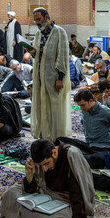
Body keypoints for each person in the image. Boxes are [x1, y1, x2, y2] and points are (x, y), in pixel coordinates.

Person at [0, 139, 95, 218]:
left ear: (54, 153)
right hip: (44, 192)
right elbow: (31, 189)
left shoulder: (71, 155)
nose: (44, 169)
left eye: (46, 163)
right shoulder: (41, 155)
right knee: (9, 195)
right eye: (41, 165)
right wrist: (29, 175)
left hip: (65, 198)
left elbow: (78, 192)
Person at [58, 88, 110, 169]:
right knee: (60, 140)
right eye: (80, 106)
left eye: (83, 105)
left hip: (102, 149)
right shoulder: (85, 109)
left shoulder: (105, 112)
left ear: (91, 101)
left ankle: (78, 158)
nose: (81, 108)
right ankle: (79, 158)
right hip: (88, 145)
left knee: (98, 159)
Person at [30, 7, 72, 140]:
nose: (37, 23)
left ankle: (56, 136)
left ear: (47, 17)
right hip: (40, 76)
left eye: (39, 19)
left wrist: (60, 78)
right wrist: (33, 52)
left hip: (54, 78)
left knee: (55, 107)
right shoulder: (38, 34)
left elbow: (62, 56)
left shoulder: (59, 32)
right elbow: (39, 55)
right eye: (35, 20)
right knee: (42, 104)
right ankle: (44, 134)